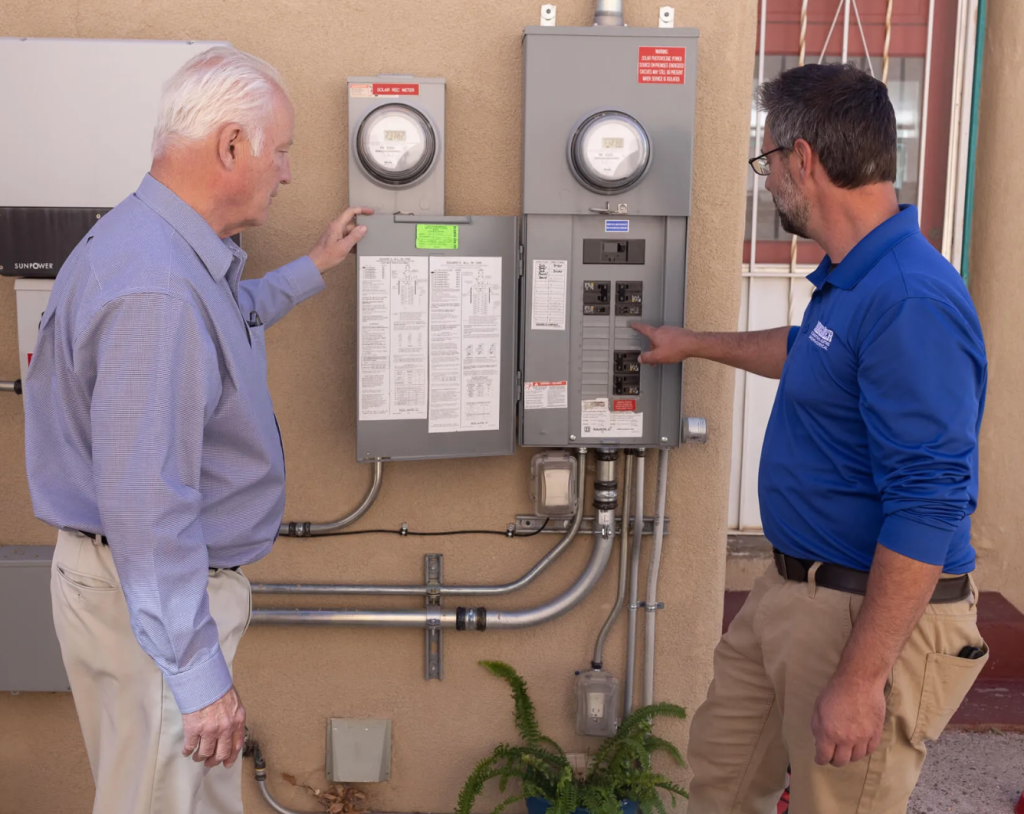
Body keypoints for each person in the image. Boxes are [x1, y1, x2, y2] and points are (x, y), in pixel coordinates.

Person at [633, 63, 989, 814]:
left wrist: (861, 680)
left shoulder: (910, 298)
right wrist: (692, 343)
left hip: (862, 616)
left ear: (803, 160)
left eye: (767, 161)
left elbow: (930, 501)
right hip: (790, 593)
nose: (767, 181)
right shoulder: (854, 277)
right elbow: (811, 351)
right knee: (720, 786)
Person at [23, 46, 371, 814]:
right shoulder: (158, 292)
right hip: (154, 607)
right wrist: (196, 673)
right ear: (231, 146)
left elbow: (228, 316)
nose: (286, 172)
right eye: (281, 151)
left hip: (144, 598)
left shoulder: (162, 247)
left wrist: (313, 265)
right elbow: (147, 505)